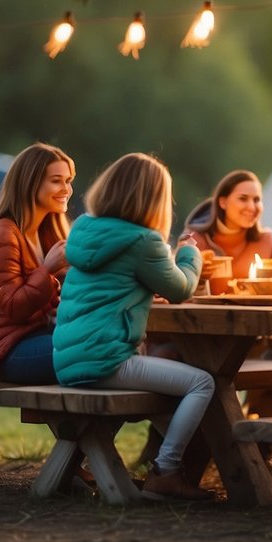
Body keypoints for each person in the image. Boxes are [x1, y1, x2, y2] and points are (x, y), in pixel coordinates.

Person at [52, 153, 215, 502]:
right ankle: (165, 472)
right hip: (105, 361)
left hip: (69, 361)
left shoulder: (84, 230)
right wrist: (189, 254)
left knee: (166, 391)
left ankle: (169, 466)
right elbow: (181, 289)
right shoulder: (144, 241)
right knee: (202, 382)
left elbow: (116, 283)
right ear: (154, 198)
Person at [0, 142, 75, 384]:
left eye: (68, 181)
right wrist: (47, 270)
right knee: (92, 352)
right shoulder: (1, 236)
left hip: (41, 334)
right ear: (30, 183)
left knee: (111, 342)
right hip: (9, 349)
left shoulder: (48, 232)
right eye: (57, 181)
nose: (66, 189)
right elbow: (15, 307)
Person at [180, 169, 272, 278]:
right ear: (223, 202)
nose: (251, 207)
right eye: (243, 198)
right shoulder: (195, 242)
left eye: (256, 200)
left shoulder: (268, 242)